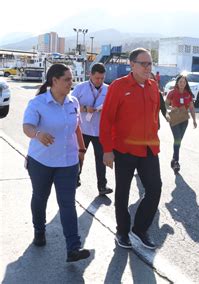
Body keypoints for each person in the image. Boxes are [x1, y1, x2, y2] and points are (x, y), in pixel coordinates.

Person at [23, 63, 91, 262]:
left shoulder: (74, 102)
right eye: (67, 79)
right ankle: (39, 230)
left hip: (68, 162)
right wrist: (37, 134)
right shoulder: (38, 103)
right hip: (41, 161)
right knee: (40, 197)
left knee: (68, 203)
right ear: (54, 81)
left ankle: (73, 247)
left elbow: (77, 127)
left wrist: (81, 150)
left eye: (72, 79)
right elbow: (27, 126)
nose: (72, 83)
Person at [100, 48, 162, 250]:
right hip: (124, 149)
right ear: (132, 65)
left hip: (149, 148)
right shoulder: (119, 86)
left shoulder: (153, 86)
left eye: (150, 63)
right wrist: (107, 150)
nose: (147, 67)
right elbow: (107, 119)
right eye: (143, 63)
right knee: (123, 192)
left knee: (155, 188)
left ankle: (140, 228)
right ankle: (123, 231)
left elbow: (154, 116)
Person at [71, 63, 112, 196]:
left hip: (100, 131)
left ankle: (102, 186)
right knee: (79, 156)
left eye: (102, 78)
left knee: (101, 159)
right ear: (90, 75)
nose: (99, 81)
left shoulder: (108, 89)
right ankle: (74, 179)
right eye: (97, 78)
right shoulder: (80, 88)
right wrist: (84, 108)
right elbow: (69, 105)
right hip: (83, 129)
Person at [165, 73, 197, 174]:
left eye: (184, 82)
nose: (182, 83)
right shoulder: (172, 92)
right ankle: (176, 162)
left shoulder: (188, 93)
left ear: (186, 83)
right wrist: (171, 108)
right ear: (177, 83)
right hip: (174, 118)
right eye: (180, 82)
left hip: (184, 120)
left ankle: (174, 159)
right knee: (177, 139)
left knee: (178, 141)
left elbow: (191, 107)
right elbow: (165, 104)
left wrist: (194, 120)